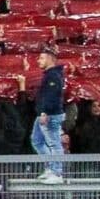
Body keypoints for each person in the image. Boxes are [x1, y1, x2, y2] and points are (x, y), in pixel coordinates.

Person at [33, 49, 68, 183]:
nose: (39, 61)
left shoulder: (53, 75)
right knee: (37, 140)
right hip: (43, 114)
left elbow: (52, 95)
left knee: (54, 143)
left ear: (50, 59)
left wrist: (44, 112)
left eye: (41, 58)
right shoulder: (49, 75)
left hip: (50, 115)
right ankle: (49, 167)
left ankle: (57, 172)